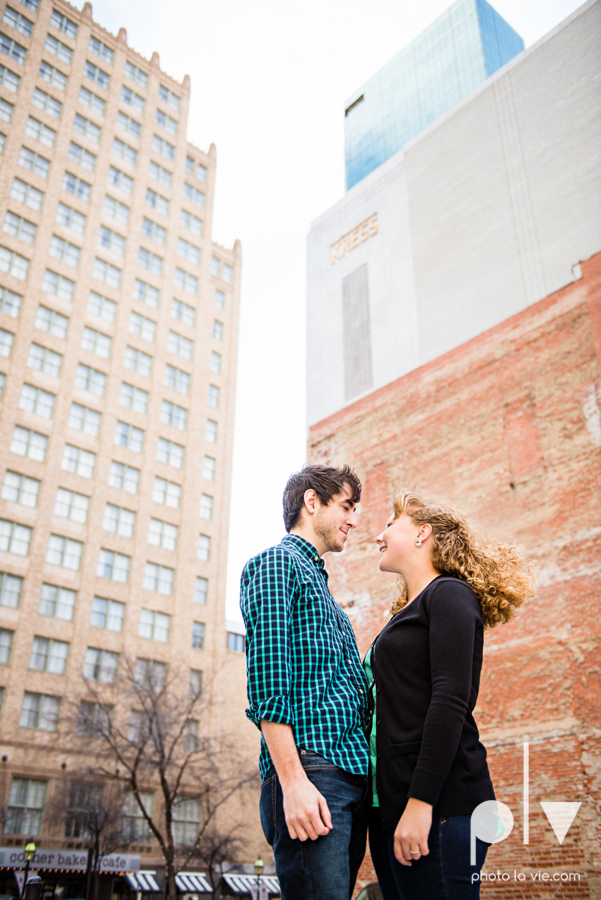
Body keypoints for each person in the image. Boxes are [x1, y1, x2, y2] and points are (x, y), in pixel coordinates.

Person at [365, 489, 535, 899]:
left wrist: (421, 803)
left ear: (423, 533)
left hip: (440, 806)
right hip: (395, 807)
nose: (378, 536)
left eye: (390, 525)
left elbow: (450, 699)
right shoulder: (409, 610)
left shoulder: (449, 594)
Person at [240, 464, 370, 900]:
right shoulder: (278, 565)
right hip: (312, 773)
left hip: (349, 774)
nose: (354, 520)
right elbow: (268, 683)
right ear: (312, 502)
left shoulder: (322, 588)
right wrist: (293, 782)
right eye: (347, 507)